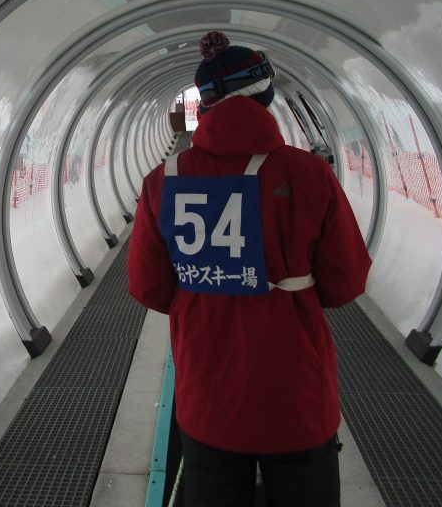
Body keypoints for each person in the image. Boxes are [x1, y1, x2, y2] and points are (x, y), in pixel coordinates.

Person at [127, 31, 372, 507]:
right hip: (297, 388)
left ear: (207, 104)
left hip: (207, 385)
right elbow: (346, 281)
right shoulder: (309, 173)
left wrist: (206, 291)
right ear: (264, 94)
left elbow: (147, 286)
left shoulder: (164, 180)